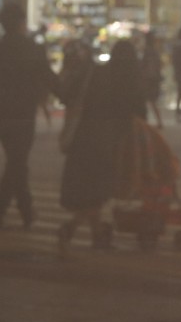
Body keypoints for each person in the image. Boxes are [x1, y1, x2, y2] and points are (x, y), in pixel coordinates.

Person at [58, 39, 146, 256]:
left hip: (83, 137)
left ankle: (98, 236)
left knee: (91, 191)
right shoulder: (128, 79)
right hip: (106, 141)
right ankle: (69, 228)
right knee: (97, 192)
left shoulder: (97, 73)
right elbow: (137, 112)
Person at [0, 4, 57, 229]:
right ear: (22, 23)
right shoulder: (32, 48)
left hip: (3, 114)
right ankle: (11, 212)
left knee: (16, 161)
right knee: (18, 162)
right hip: (24, 113)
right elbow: (48, 77)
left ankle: (19, 211)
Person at [141, 30, 164, 129]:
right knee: (152, 101)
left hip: (148, 79)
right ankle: (158, 122)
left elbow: (144, 66)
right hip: (153, 78)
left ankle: (145, 123)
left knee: (148, 101)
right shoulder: (154, 51)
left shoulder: (147, 51)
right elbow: (158, 65)